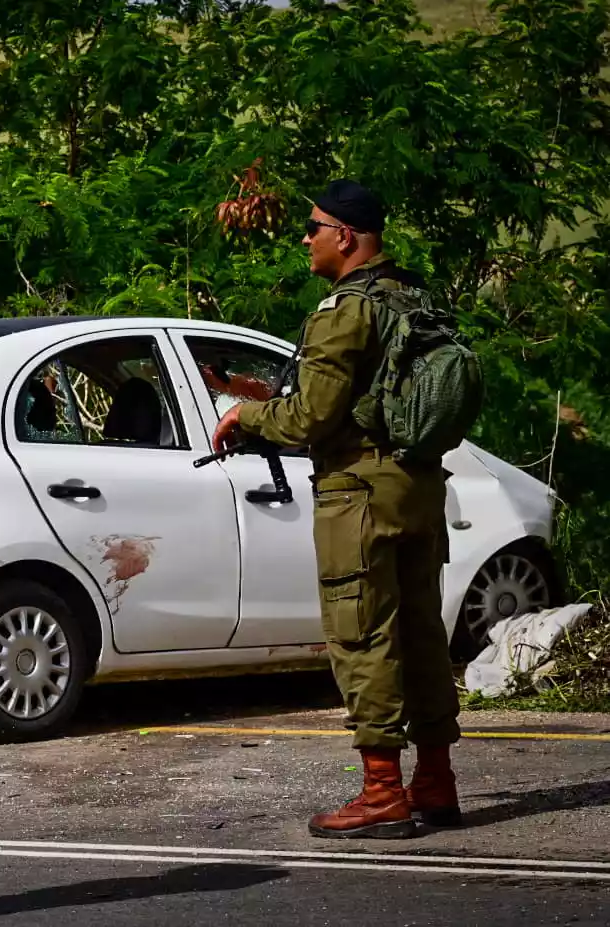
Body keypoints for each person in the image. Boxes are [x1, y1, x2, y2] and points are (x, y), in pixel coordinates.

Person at [213, 180, 461, 840]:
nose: (306, 237)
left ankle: (383, 791)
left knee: (363, 636)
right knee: (420, 635)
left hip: (358, 494)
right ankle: (434, 780)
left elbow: (310, 416)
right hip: (418, 485)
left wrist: (246, 413)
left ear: (345, 237)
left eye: (314, 227)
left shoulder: (344, 311)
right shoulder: (415, 295)